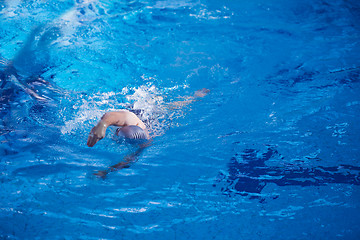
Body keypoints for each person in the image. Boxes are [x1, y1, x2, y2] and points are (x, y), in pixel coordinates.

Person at [87, 88, 210, 177]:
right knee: (166, 108)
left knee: (168, 109)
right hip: (139, 113)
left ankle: (194, 97)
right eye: (118, 130)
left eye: (118, 131)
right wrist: (102, 125)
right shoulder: (135, 123)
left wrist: (107, 171)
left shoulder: (144, 141)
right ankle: (194, 97)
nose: (117, 130)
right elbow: (112, 115)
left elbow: (129, 160)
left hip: (149, 119)